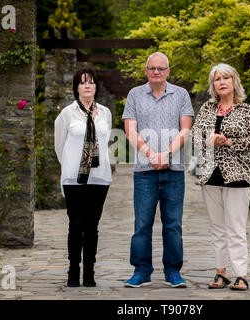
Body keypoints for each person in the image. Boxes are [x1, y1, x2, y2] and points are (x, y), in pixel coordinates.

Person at [122, 52, 194, 288]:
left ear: (168, 71)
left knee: (173, 224)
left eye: (161, 68)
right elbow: (130, 131)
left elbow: (185, 130)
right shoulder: (134, 95)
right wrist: (151, 155)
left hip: (173, 171)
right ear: (146, 71)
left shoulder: (181, 94)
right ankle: (141, 271)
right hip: (144, 171)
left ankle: (173, 271)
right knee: (142, 223)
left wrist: (167, 155)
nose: (156, 72)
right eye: (152, 68)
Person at [191, 63, 250, 290]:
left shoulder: (246, 110)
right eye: (217, 79)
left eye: (225, 78)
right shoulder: (207, 109)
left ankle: (241, 275)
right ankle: (221, 273)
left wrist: (228, 141)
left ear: (234, 82)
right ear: (213, 84)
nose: (221, 82)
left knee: (236, 229)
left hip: (238, 176)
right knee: (217, 228)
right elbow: (195, 138)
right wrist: (209, 141)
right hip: (210, 175)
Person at [54, 66, 112, 287]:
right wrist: (72, 164)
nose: (87, 85)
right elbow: (59, 146)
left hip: (99, 177)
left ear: (96, 86)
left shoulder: (105, 112)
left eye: (91, 82)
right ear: (76, 87)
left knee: (92, 226)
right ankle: (73, 270)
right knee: (76, 224)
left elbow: (105, 144)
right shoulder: (67, 114)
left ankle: (89, 271)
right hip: (74, 178)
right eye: (82, 82)